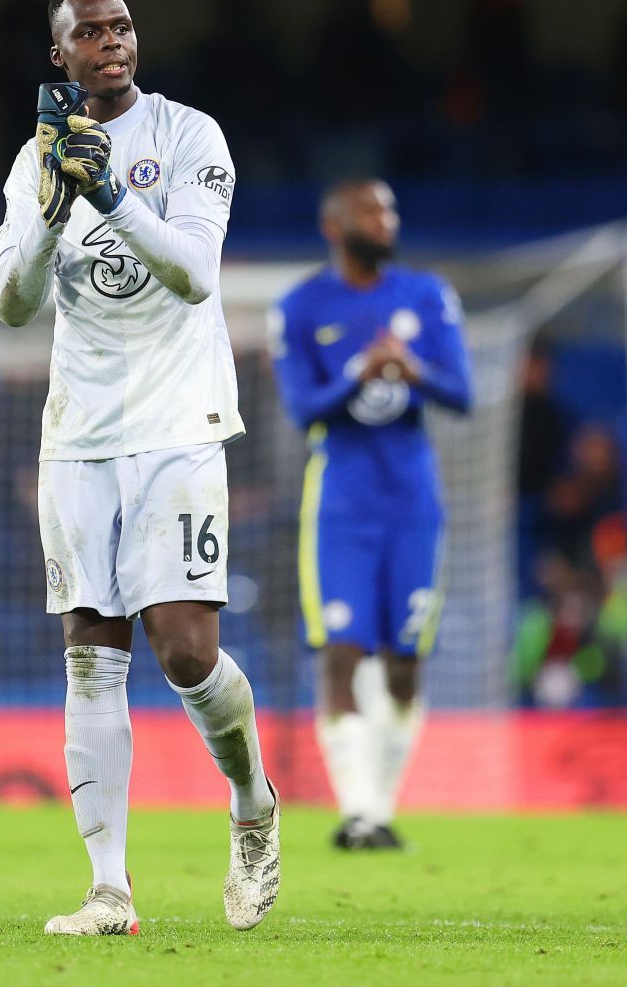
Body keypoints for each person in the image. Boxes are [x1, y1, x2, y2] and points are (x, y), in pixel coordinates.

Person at [0, 0, 279, 936]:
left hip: (179, 422)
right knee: (90, 658)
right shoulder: (34, 161)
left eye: (121, 27)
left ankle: (252, 803)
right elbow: (13, 302)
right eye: (90, 32)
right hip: (78, 432)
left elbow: (196, 276)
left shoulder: (191, 137)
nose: (111, 42)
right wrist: (46, 205)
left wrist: (107, 191)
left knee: (186, 651)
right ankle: (109, 891)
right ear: (59, 54)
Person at [269, 181, 472, 849]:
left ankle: (379, 808)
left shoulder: (426, 294)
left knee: (404, 662)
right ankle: (359, 812)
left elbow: (462, 393)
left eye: (389, 209)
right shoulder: (301, 307)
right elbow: (303, 410)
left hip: (413, 501)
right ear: (334, 225)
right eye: (370, 212)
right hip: (341, 503)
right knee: (342, 651)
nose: (385, 221)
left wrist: (410, 369)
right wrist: (362, 368)